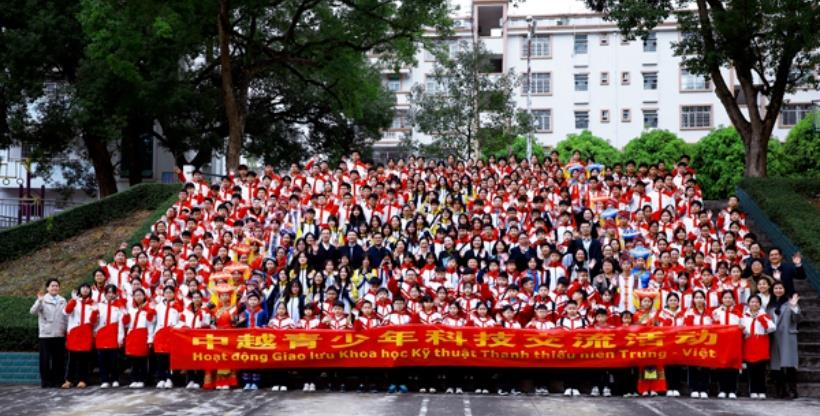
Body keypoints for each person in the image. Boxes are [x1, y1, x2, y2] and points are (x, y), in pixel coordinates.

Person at [30, 278, 67, 388]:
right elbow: (33, 312)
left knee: (58, 359)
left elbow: (65, 317)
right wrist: (39, 301)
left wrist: (66, 329)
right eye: (52, 286)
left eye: (56, 286)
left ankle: (58, 380)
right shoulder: (43, 299)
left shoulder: (63, 300)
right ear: (47, 288)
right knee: (45, 360)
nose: (54, 288)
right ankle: (46, 381)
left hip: (59, 333)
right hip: (46, 335)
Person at [768, 281, 801, 399]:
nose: (778, 290)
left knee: (790, 364)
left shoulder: (790, 303)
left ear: (784, 290)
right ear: (772, 290)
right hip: (774, 338)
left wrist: (794, 307)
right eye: (776, 288)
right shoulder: (770, 306)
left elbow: (797, 319)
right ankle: (780, 391)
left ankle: (793, 390)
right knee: (776, 365)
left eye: (780, 288)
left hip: (787, 337)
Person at [741, 295, 775, 399]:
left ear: (760, 304)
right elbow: (742, 329)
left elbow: (772, 328)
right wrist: (743, 331)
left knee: (761, 370)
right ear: (748, 304)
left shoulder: (764, 315)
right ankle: (753, 391)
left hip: (761, 344)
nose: (754, 304)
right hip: (749, 344)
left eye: (756, 302)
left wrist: (762, 319)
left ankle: (762, 390)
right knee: (751, 370)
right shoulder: (744, 316)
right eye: (752, 302)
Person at [62, 283, 95, 389]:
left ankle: (83, 380)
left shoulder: (93, 303)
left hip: (86, 333)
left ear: (90, 291)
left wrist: (95, 312)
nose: (85, 290)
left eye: (87, 288)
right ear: (79, 290)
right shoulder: (74, 301)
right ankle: (69, 380)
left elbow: (94, 320)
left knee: (84, 359)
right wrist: (73, 300)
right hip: (74, 333)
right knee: (71, 359)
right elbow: (66, 312)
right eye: (83, 288)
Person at [94, 284, 126, 388]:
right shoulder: (99, 305)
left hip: (113, 335)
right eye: (108, 292)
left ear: (116, 294)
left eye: (112, 292)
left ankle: (115, 379)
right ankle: (104, 380)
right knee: (102, 360)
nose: (110, 294)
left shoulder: (119, 305)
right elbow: (94, 321)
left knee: (114, 360)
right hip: (101, 335)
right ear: (105, 294)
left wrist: (120, 338)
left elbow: (121, 324)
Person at [125, 288, 155, 389]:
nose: (138, 297)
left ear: (144, 296)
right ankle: (134, 379)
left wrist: (150, 339)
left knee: (142, 360)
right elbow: (127, 323)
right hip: (132, 335)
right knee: (133, 360)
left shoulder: (148, 308)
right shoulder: (131, 309)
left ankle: (142, 380)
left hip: (142, 335)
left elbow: (151, 324)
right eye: (136, 295)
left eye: (140, 295)